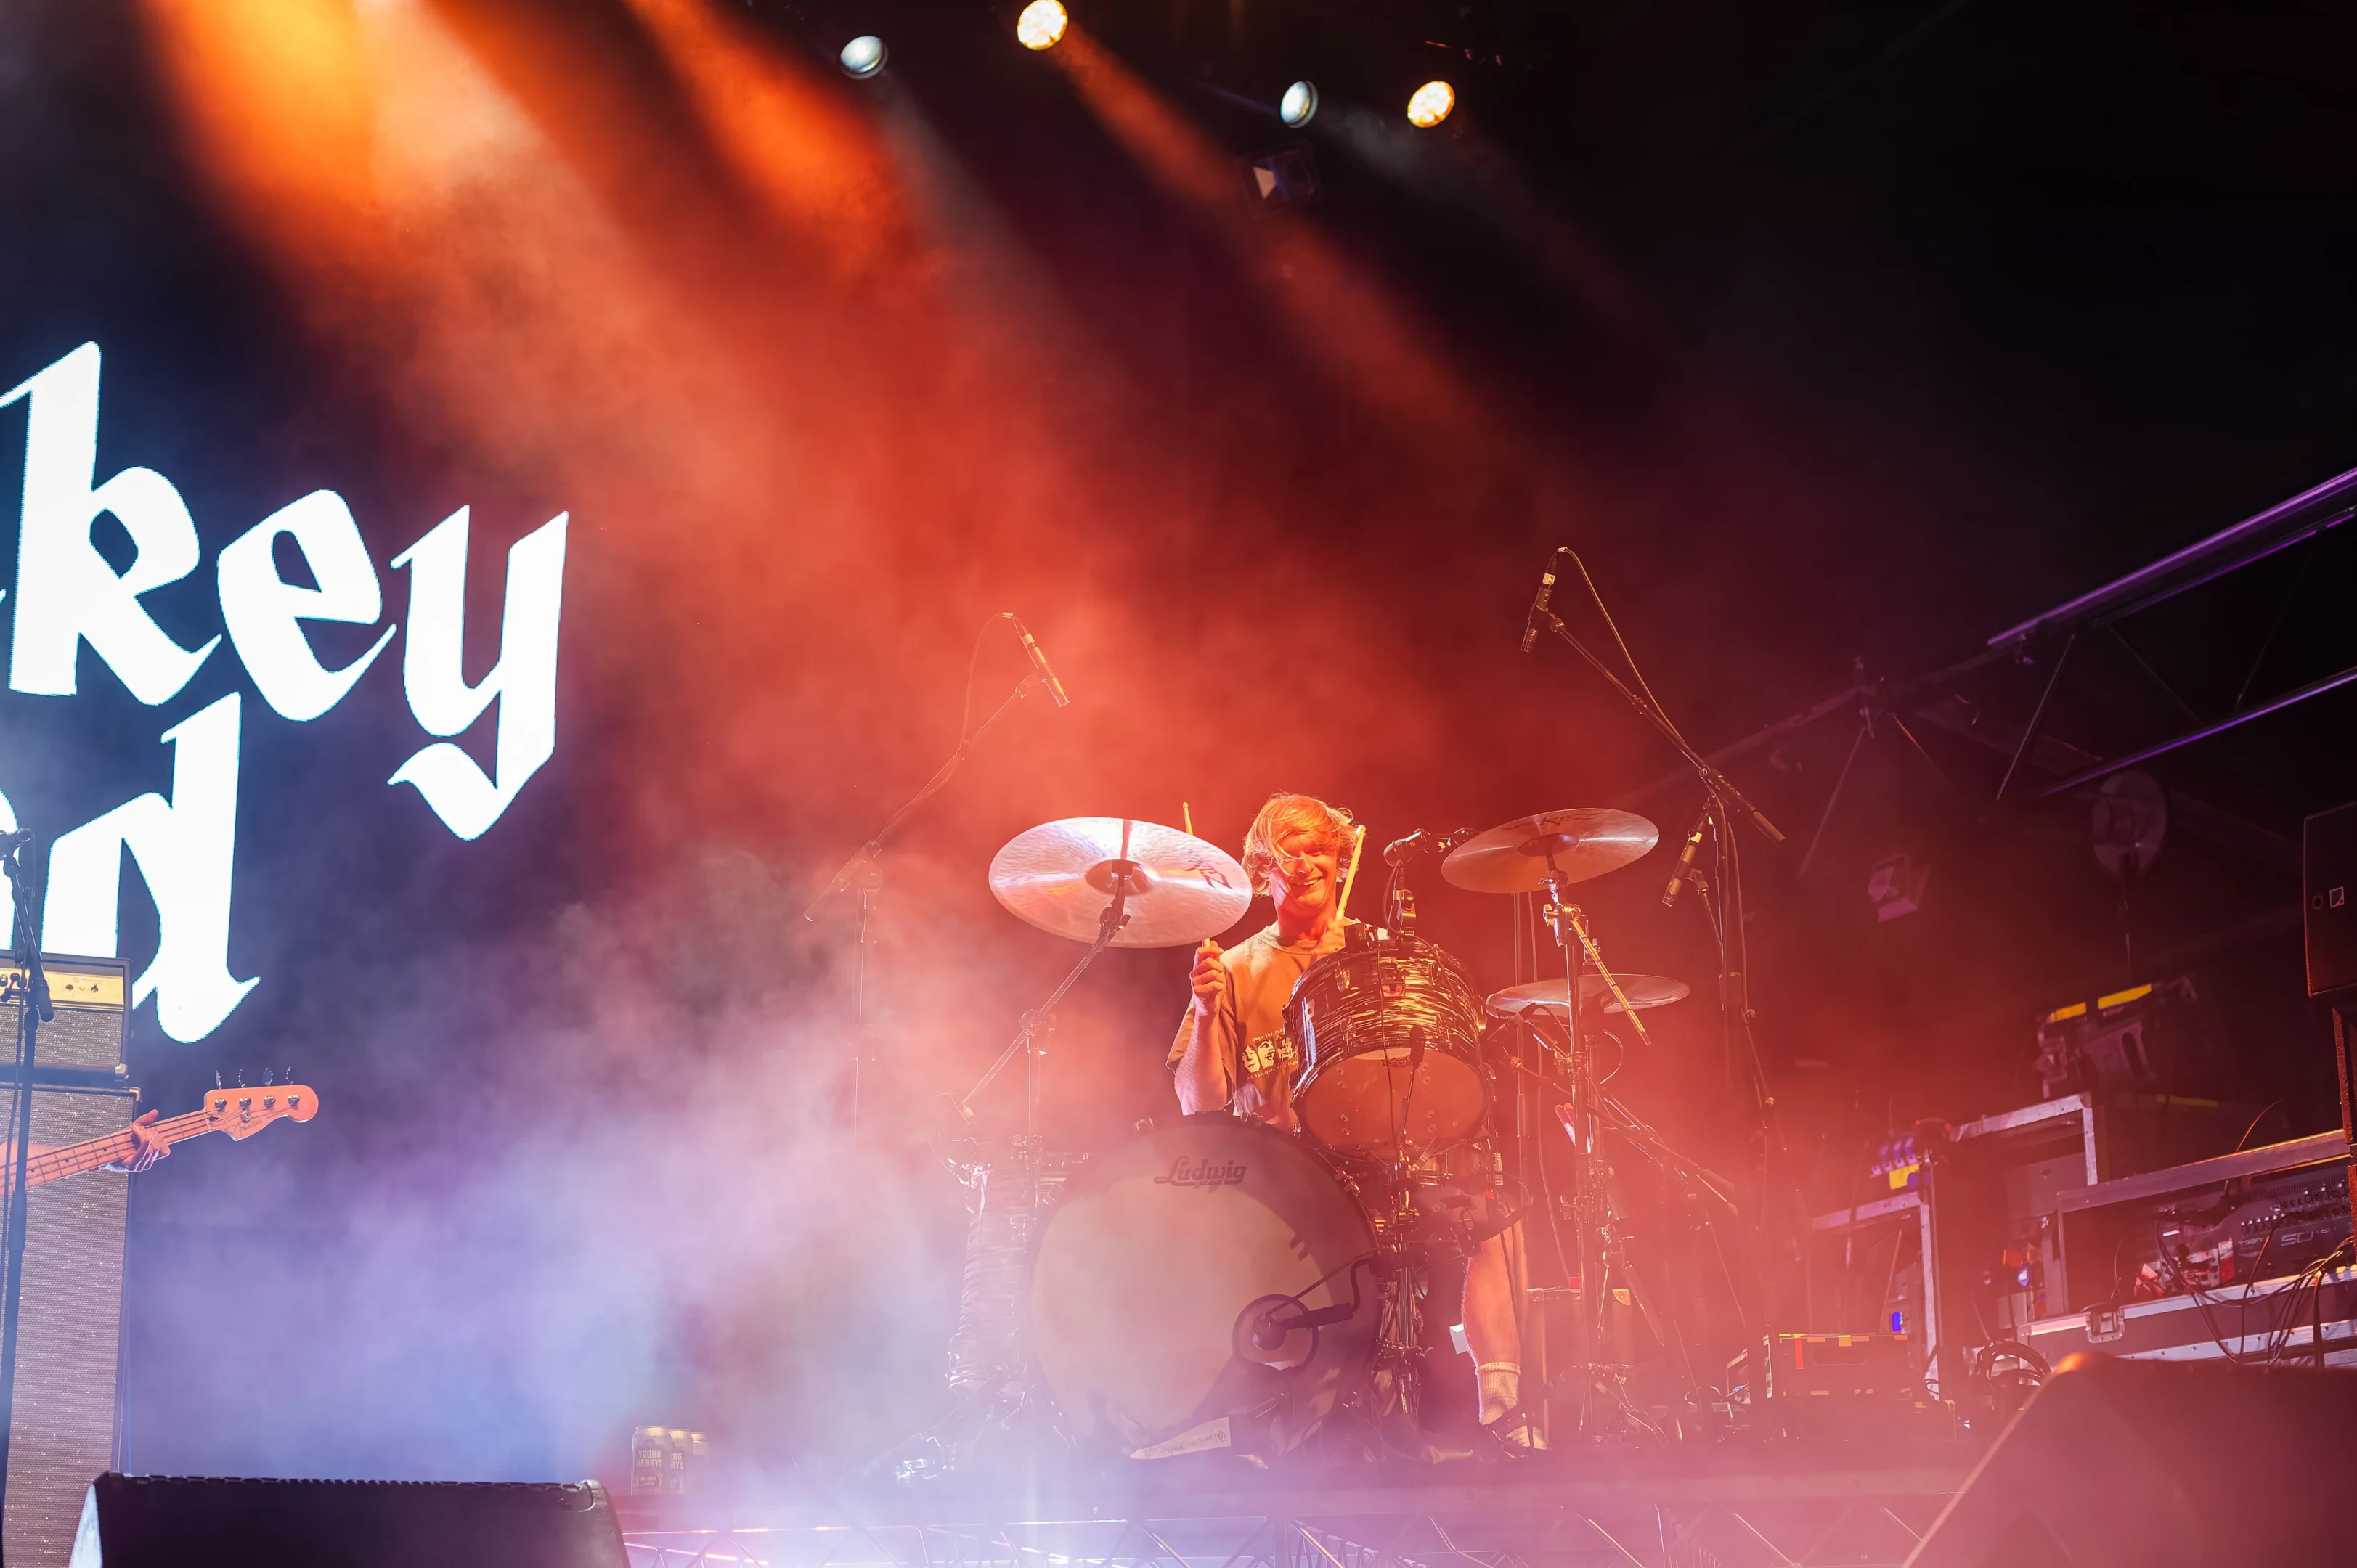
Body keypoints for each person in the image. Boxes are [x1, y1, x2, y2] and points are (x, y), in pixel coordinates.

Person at [1170, 791, 1535, 1446]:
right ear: (1263, 869)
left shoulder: (1382, 954)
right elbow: (1198, 1106)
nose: (1305, 864)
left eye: (1319, 851)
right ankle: (1286, 1424)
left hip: (1382, 1168)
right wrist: (1202, 1016)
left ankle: (1506, 1418)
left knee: (1494, 1220)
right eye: (1289, 854)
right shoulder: (1232, 969)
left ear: (1342, 863)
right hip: (1287, 1185)